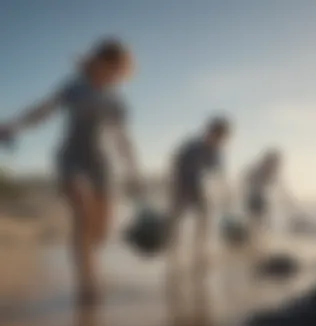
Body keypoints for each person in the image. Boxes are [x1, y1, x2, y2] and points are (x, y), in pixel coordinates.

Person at [0, 37, 140, 303]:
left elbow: (123, 140)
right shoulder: (74, 88)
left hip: (101, 164)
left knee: (101, 231)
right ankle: (87, 283)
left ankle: (88, 260)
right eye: (108, 66)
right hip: (71, 159)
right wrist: (13, 125)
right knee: (82, 212)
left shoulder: (116, 101)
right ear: (97, 62)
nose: (112, 74)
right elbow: (43, 110)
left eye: (118, 70)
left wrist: (133, 172)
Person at [167, 116, 231, 282]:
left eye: (223, 138)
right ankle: (174, 257)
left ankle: (199, 255)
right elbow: (175, 165)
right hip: (183, 189)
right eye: (218, 135)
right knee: (177, 224)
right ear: (209, 132)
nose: (219, 140)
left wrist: (221, 192)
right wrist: (179, 187)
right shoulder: (191, 147)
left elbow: (218, 175)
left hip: (203, 192)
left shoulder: (217, 153)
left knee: (204, 224)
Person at [243, 148, 301, 257]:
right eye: (273, 163)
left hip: (262, 202)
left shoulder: (273, 173)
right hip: (252, 201)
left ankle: (258, 249)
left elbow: (282, 189)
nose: (275, 166)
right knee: (255, 226)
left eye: (276, 164)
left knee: (263, 226)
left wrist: (293, 205)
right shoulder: (256, 171)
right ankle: (254, 251)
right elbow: (247, 183)